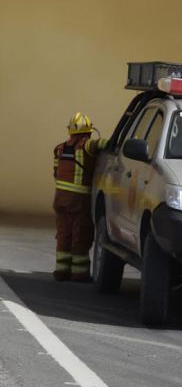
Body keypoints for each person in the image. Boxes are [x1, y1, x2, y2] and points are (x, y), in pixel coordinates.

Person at [52, 112, 108, 282]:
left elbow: (56, 172)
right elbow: (103, 144)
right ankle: (79, 273)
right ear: (89, 131)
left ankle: (61, 270)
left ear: (70, 131)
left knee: (64, 233)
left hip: (60, 198)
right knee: (81, 234)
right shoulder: (87, 145)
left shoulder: (59, 148)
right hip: (79, 199)